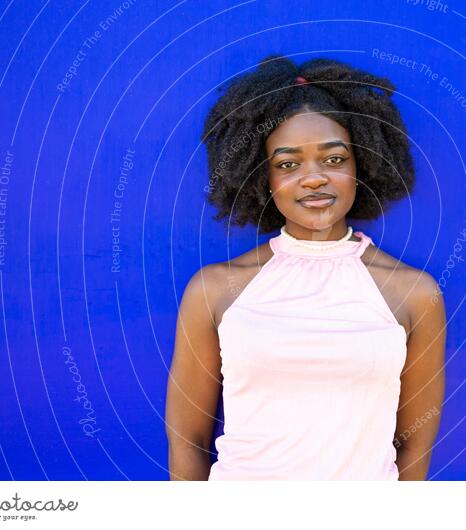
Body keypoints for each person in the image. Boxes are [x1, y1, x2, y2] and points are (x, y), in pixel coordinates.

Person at [165, 55, 446, 480]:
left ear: (361, 166)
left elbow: (414, 444)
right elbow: (187, 439)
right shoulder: (215, 290)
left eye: (334, 159)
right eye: (288, 164)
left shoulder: (414, 294)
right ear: (263, 178)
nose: (313, 178)